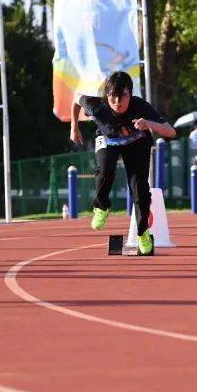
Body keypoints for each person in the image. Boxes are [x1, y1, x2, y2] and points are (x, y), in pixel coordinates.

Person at [70, 71, 176, 255]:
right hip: (108, 141)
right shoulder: (97, 105)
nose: (118, 102)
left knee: (139, 189)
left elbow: (170, 131)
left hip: (137, 143)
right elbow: (76, 98)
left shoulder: (141, 106)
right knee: (105, 170)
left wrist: (150, 124)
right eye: (113, 96)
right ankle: (101, 206)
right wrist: (74, 127)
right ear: (107, 95)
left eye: (123, 97)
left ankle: (143, 233)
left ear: (131, 94)